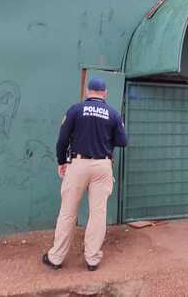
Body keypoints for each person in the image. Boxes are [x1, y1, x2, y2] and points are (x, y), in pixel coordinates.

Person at [43, 77, 128, 271]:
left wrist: (61, 161)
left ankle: (56, 258)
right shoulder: (113, 114)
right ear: (105, 93)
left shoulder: (76, 110)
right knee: (98, 213)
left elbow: (62, 139)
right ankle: (92, 259)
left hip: (78, 164)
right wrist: (106, 139)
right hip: (103, 165)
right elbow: (123, 141)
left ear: (88, 92)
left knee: (67, 212)